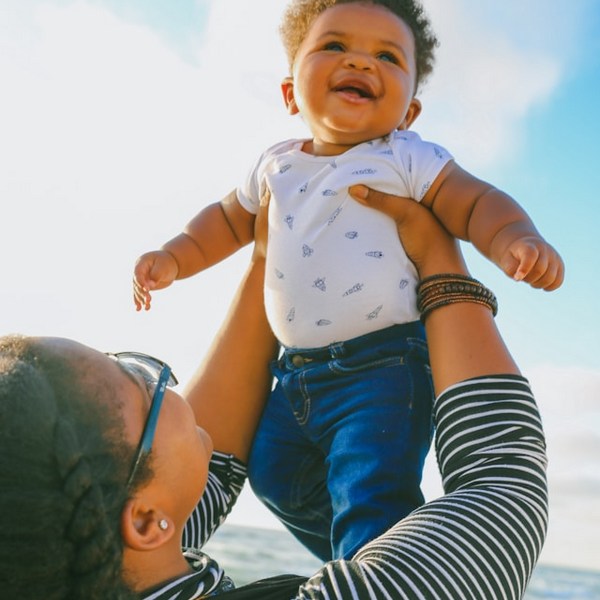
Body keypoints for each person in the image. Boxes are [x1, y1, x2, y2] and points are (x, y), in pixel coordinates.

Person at [132, 0, 560, 561]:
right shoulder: (275, 165)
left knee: (370, 489)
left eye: (387, 55)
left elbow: (476, 201)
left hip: (384, 369)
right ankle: (359, 562)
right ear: (290, 93)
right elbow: (225, 221)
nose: (360, 62)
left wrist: (513, 239)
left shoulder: (405, 157)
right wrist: (174, 257)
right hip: (295, 374)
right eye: (335, 46)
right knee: (275, 475)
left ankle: (376, 559)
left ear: (409, 111)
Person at [1, 186, 547, 598]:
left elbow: (203, 465)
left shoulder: (92, 557)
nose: (171, 384)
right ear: (145, 523)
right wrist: (437, 258)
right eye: (142, 383)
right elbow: (503, 482)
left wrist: (275, 256)